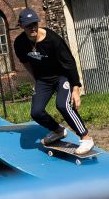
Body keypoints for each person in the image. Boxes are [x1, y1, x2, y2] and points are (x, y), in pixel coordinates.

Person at [13, 8, 94, 154]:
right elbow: (25, 61)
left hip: (61, 77)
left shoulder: (53, 40)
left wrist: (76, 89)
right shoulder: (19, 43)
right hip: (43, 80)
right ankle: (58, 130)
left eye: (34, 24)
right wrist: (36, 79)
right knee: (36, 112)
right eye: (28, 25)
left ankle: (86, 137)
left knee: (62, 105)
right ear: (21, 26)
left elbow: (69, 63)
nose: (32, 28)